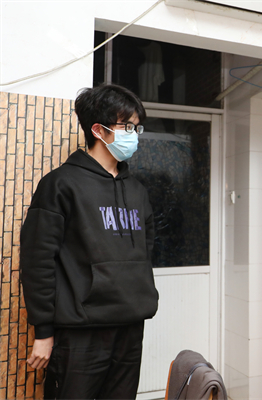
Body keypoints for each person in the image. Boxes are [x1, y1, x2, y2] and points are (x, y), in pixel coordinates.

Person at [20, 84, 159, 398]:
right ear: (98, 130)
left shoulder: (137, 190)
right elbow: (37, 260)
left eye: (137, 128)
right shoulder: (60, 184)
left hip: (130, 327)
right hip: (80, 333)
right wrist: (44, 331)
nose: (134, 135)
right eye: (127, 127)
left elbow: (145, 251)